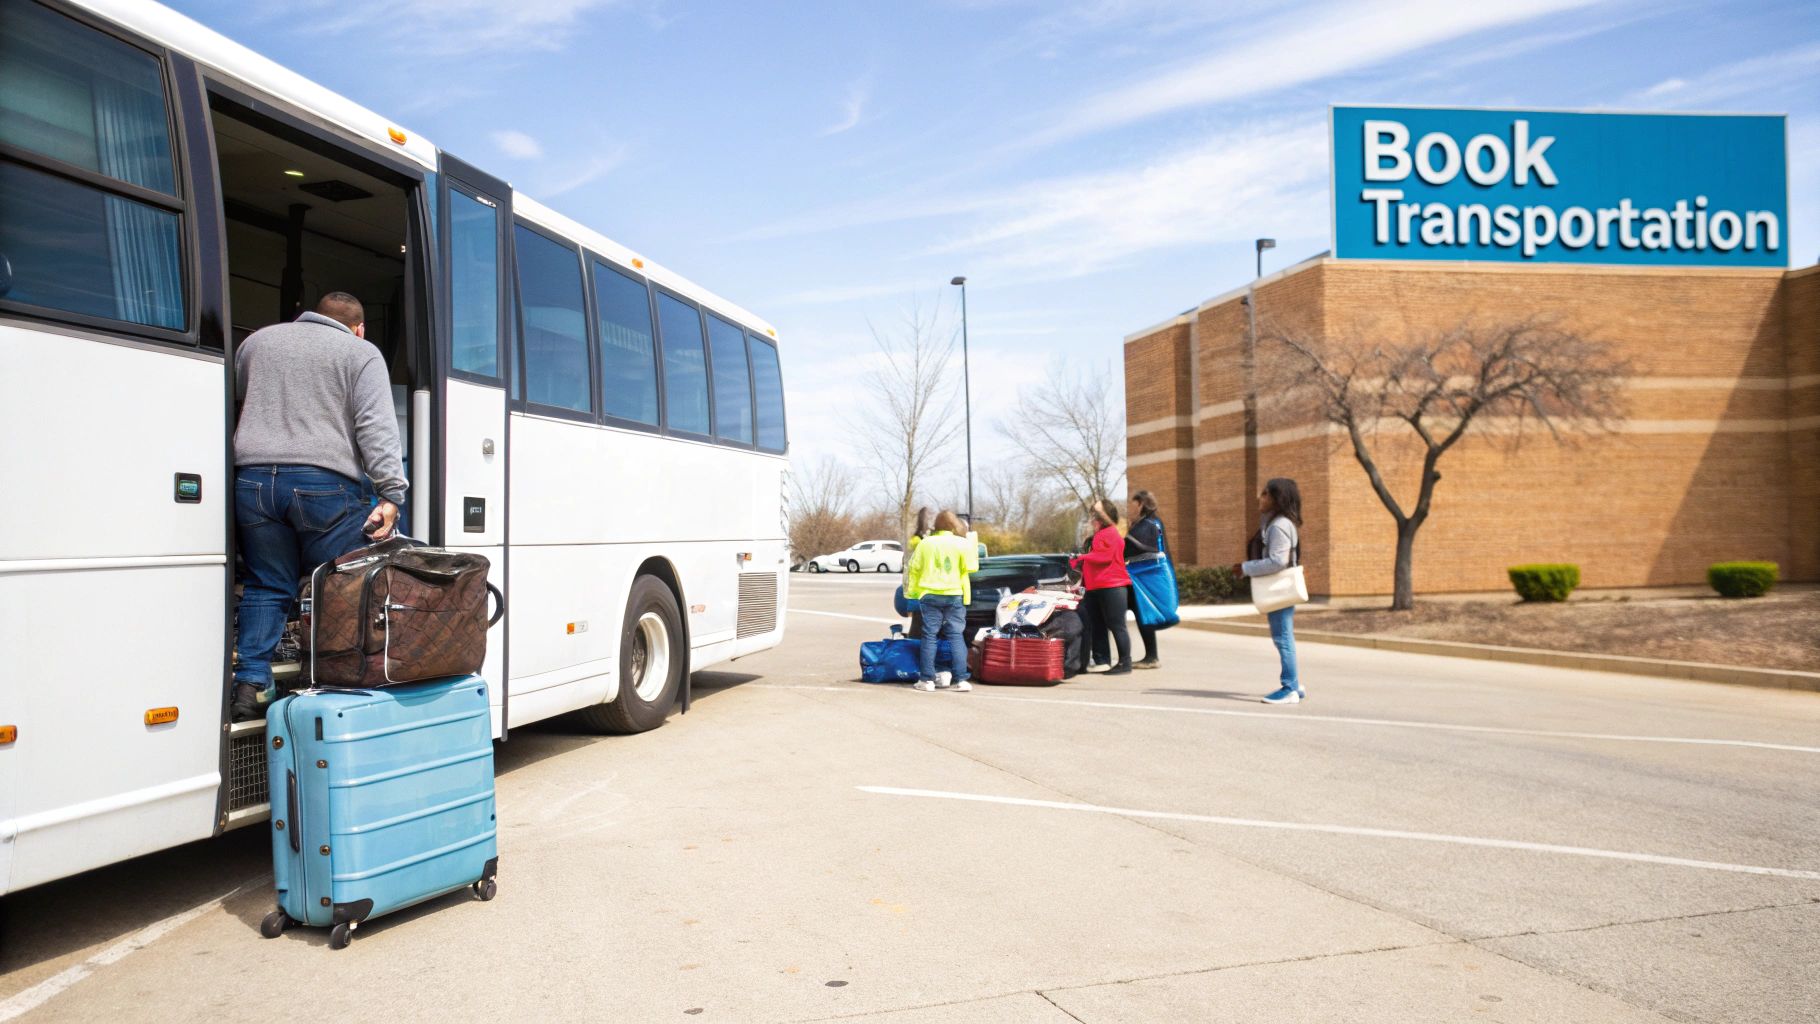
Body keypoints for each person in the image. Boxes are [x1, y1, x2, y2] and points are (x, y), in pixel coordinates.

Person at [231, 292, 405, 721]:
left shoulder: (257, 343)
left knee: (268, 583)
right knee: (348, 580)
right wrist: (391, 494)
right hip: (321, 484)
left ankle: (251, 686)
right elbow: (375, 426)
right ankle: (342, 681)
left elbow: (239, 402)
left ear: (304, 316)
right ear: (358, 327)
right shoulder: (361, 352)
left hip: (251, 481)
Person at [1234, 478, 1305, 705]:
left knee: (1283, 638)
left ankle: (1289, 687)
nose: (1260, 498)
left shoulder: (1279, 525)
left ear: (1277, 499)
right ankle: (1294, 685)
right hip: (1279, 589)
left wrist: (1245, 568)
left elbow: (1278, 561)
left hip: (1279, 589)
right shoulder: (1276, 522)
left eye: (1265, 494)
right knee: (1283, 637)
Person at [903, 510, 978, 692]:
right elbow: (972, 567)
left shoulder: (926, 543)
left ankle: (927, 680)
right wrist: (972, 543)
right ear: (954, 526)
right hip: (955, 594)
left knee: (929, 635)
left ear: (936, 525)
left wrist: (912, 594)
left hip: (929, 595)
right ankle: (961, 680)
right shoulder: (962, 543)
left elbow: (913, 567)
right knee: (955, 635)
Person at [1073, 498, 1132, 675]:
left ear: (1103, 518)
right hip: (1096, 587)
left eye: (1096, 516)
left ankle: (1124, 663)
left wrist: (1082, 558)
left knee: (1116, 625)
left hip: (1112, 586)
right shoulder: (1098, 536)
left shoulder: (1111, 533)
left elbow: (1104, 556)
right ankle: (1102, 660)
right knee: (1097, 624)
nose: (1092, 520)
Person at [1125, 490, 1167, 669]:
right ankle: (1150, 656)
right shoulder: (1146, 523)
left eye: (1132, 504)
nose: (1129, 508)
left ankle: (1150, 657)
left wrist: (1126, 538)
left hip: (1144, 577)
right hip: (1141, 576)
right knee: (1142, 614)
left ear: (1140, 504)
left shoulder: (1148, 524)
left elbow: (1137, 549)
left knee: (1141, 614)